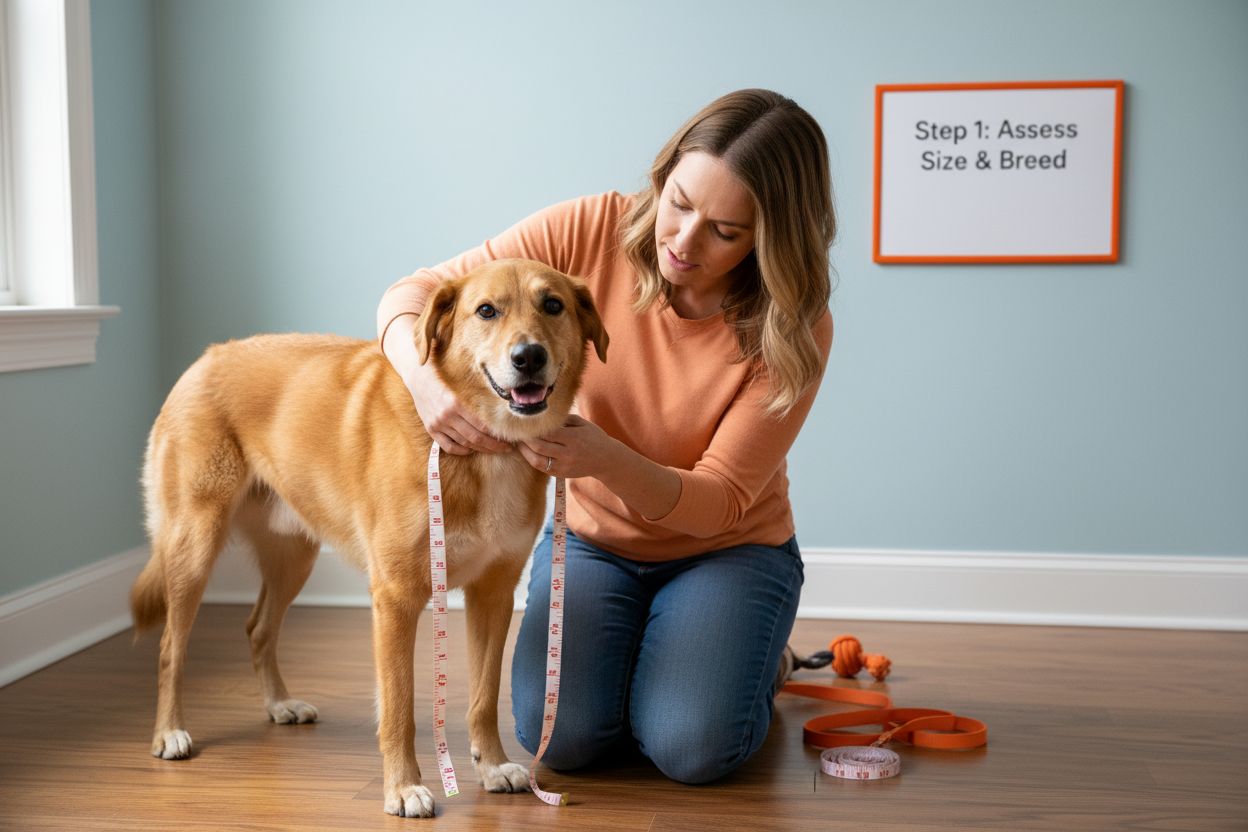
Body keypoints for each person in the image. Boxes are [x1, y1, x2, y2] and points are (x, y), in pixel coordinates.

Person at [377, 88, 835, 785]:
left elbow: (720, 502)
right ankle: (671, 659)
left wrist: (606, 461)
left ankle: (758, 658)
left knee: (692, 747)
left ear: (769, 240)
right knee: (560, 738)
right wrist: (425, 385)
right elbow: (412, 293)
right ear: (664, 175)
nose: (682, 241)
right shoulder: (590, 228)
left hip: (725, 551)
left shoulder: (791, 326)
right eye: (680, 203)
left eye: (725, 231)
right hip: (593, 544)